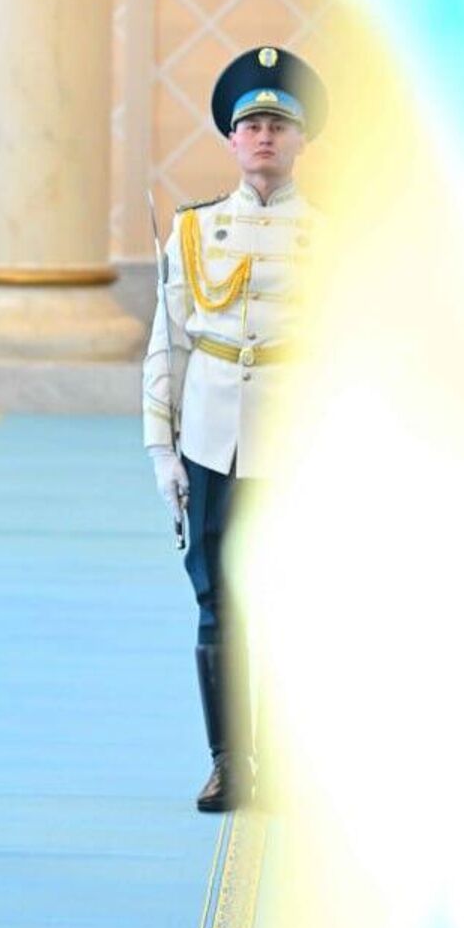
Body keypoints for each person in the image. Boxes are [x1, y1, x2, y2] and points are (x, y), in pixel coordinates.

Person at [141, 45, 327, 813]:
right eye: (252, 125)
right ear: (230, 139)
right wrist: (161, 448)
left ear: (301, 140)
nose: (264, 137)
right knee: (216, 598)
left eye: (279, 126)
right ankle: (228, 762)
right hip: (212, 438)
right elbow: (167, 345)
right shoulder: (194, 230)